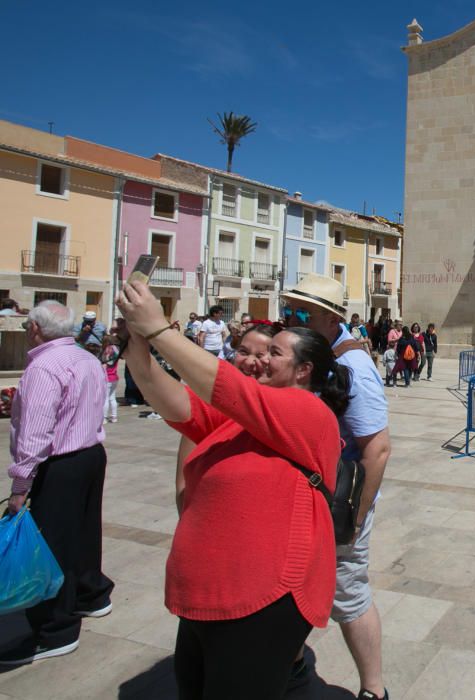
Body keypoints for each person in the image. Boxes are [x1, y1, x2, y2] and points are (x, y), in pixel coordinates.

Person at [116, 279, 347, 699]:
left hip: (262, 597)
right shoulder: (246, 415)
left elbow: (227, 385)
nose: (259, 362)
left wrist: (158, 330)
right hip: (212, 592)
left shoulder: (309, 412)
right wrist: (137, 346)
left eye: (273, 354)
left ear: (303, 370)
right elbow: (174, 402)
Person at [280, 273, 391, 700]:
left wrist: (354, 517)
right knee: (296, 580)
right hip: (309, 499)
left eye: (301, 311)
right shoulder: (315, 355)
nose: (290, 317)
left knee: (348, 594)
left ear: (330, 320)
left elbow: (377, 449)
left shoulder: (353, 368)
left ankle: (374, 689)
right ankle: (289, 662)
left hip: (339, 506)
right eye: (290, 308)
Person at [1, 301, 112, 665]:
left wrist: (20, 486)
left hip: (60, 462)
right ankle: (90, 595)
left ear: (34, 328)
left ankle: (55, 630)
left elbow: (36, 432)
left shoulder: (43, 366)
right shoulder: (85, 358)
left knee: (50, 545)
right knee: (83, 531)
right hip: (90, 455)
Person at [175, 324, 276, 514]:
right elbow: (183, 488)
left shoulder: (282, 416)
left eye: (261, 355)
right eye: (243, 352)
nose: (248, 362)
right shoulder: (209, 407)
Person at [101, 333, 121, 423]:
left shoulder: (106, 352)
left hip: (107, 378)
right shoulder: (116, 350)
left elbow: (104, 366)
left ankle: (104, 418)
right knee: (112, 398)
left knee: (105, 399)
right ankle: (114, 417)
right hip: (115, 377)